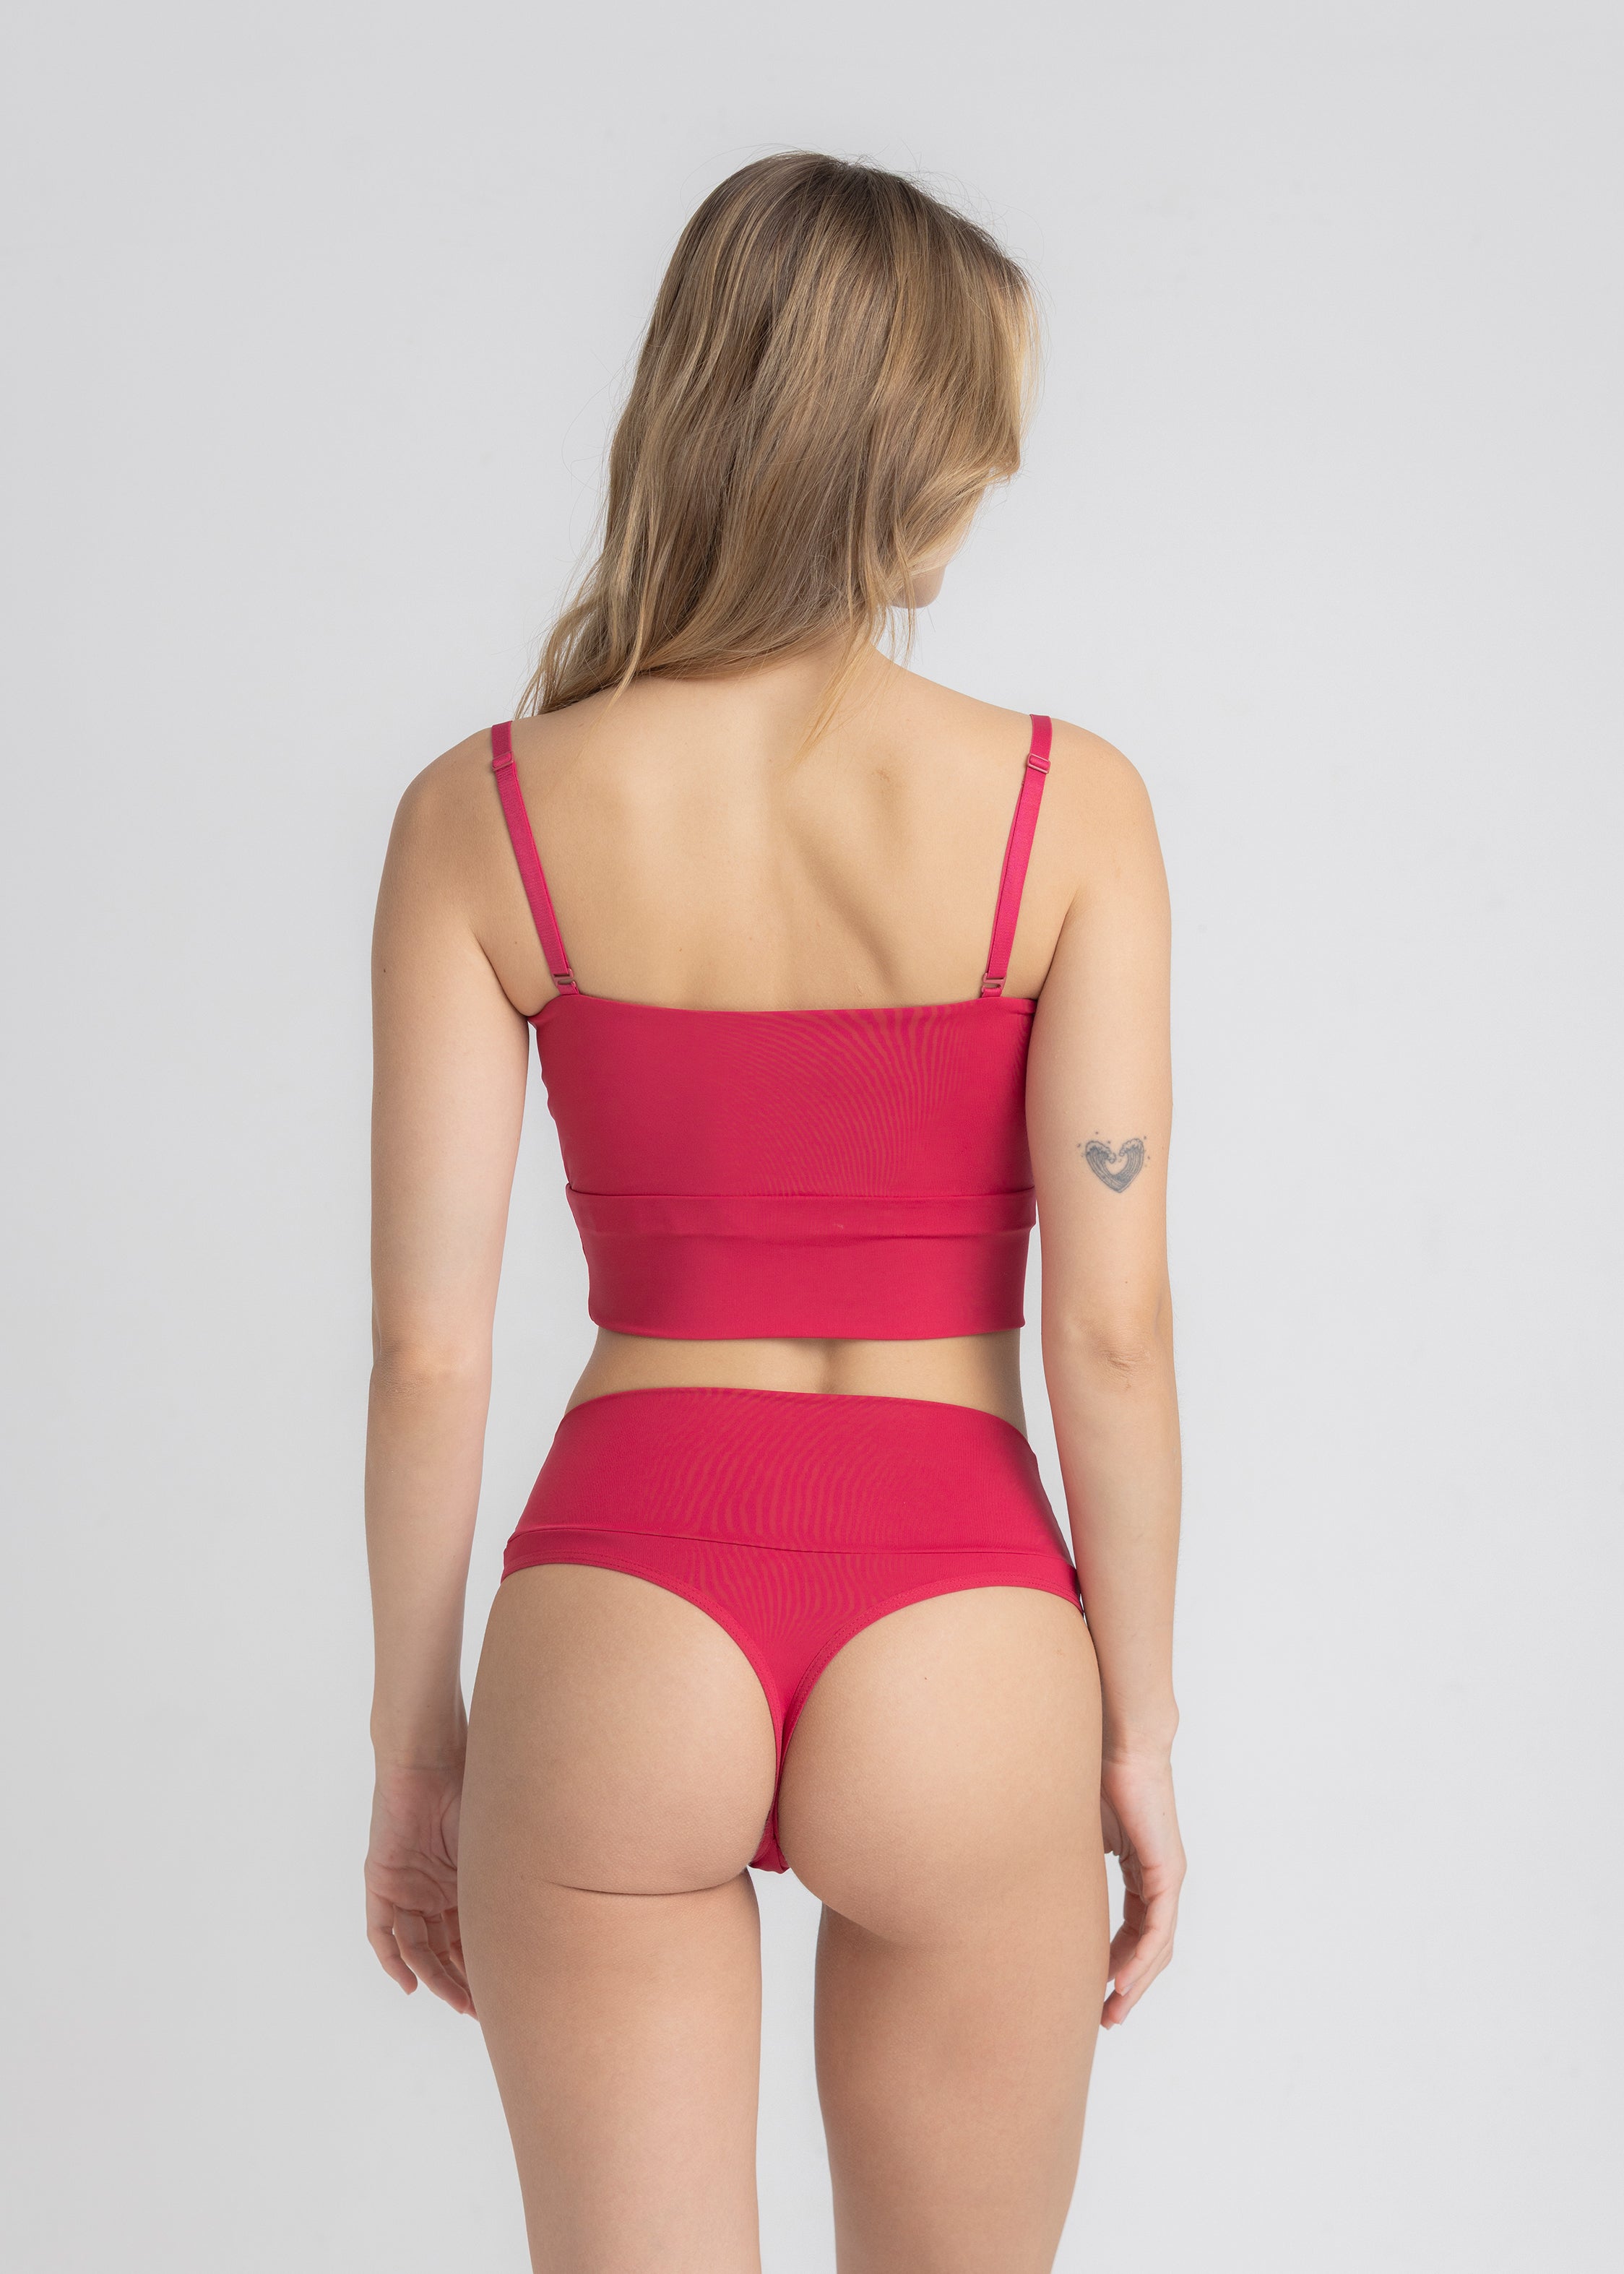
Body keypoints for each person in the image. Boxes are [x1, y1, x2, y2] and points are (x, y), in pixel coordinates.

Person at [363, 150, 1184, 2273]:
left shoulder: (483, 814)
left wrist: (417, 1743)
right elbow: (1110, 1333)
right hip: (966, 1616)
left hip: (623, 1600)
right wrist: (1140, 1724)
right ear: (910, 447)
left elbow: (430, 1350)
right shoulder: (1067, 808)